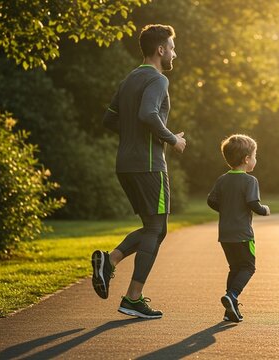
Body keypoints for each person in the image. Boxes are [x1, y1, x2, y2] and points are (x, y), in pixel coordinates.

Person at [91, 24, 186, 319]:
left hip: (126, 164)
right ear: (160, 50)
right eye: (171, 47)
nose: (174, 52)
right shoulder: (158, 80)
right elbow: (148, 114)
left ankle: (111, 260)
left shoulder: (130, 79)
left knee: (152, 228)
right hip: (148, 165)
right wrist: (172, 138)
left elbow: (109, 119)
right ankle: (132, 298)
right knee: (156, 229)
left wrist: (134, 134)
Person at [207, 134, 270, 322]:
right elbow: (253, 203)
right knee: (248, 267)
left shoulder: (222, 180)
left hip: (225, 234)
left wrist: (226, 210)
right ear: (247, 159)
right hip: (243, 235)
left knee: (234, 267)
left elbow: (211, 200)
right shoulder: (250, 181)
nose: (255, 159)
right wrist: (264, 210)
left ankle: (230, 309)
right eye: (255, 155)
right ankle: (232, 295)